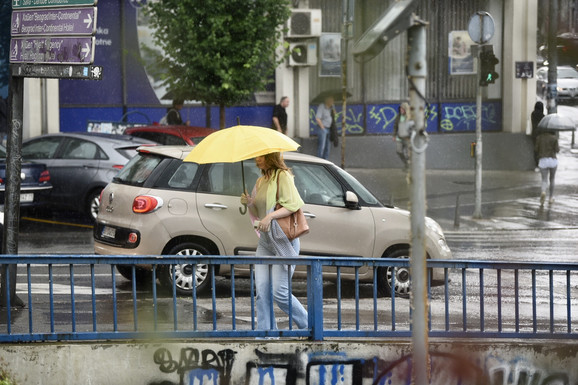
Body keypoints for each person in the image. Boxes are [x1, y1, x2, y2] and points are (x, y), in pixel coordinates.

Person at [240, 152, 308, 332]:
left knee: (280, 292)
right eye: (256, 156)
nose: (257, 159)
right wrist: (249, 203)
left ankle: (309, 326)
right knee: (262, 292)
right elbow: (259, 211)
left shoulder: (283, 176)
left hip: (284, 240)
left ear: (271, 157)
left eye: (261, 156)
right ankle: (266, 332)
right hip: (266, 241)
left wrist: (270, 216)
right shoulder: (260, 182)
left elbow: (293, 204)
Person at [535, 129, 559, 206]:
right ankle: (551, 198)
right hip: (552, 160)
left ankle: (543, 191)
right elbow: (557, 150)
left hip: (543, 160)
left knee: (544, 180)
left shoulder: (539, 138)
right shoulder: (554, 138)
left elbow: (535, 149)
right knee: (552, 179)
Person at [393, 102, 413, 170]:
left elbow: (413, 127)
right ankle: (406, 163)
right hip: (400, 137)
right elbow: (395, 126)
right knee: (399, 151)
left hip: (407, 138)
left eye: (403, 109)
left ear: (406, 110)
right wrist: (394, 135)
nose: (401, 110)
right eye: (400, 109)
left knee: (409, 154)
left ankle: (409, 167)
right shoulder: (398, 116)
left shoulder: (410, 117)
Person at [530, 101, 545, 171]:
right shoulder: (543, 116)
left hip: (534, 134)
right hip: (541, 134)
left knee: (536, 149)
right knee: (541, 149)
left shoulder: (533, 114)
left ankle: (536, 164)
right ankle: (540, 163)